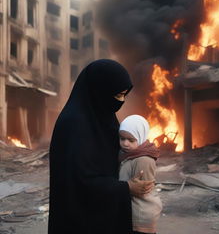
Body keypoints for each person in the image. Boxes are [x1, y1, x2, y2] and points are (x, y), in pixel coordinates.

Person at [48, 59, 154, 234]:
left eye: (124, 95)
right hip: (80, 219)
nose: (121, 101)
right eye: (118, 95)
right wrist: (126, 187)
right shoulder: (74, 124)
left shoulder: (104, 117)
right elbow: (79, 180)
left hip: (104, 214)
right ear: (99, 90)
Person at [119, 115, 163, 234]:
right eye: (122, 138)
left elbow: (143, 190)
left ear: (141, 137)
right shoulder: (129, 155)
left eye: (131, 140)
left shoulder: (143, 159)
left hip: (140, 215)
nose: (125, 143)